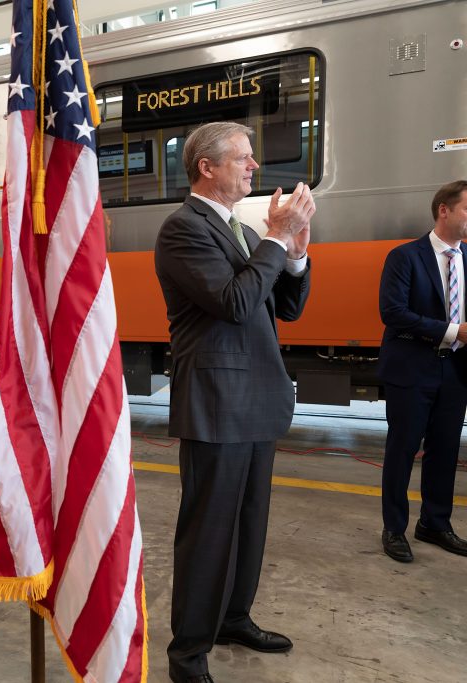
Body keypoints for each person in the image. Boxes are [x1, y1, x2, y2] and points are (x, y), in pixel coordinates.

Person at [154, 122, 316, 683]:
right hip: (218, 401)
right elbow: (234, 302)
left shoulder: (238, 230)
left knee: (249, 521)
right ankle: (188, 654)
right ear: (207, 167)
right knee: (208, 530)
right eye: (243, 159)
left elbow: (283, 308)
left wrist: (294, 252)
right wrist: (274, 237)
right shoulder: (183, 229)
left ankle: (233, 618)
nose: (253, 167)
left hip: (254, 397)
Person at [378, 180, 467, 563]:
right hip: (412, 367)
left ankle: (434, 522)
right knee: (402, 449)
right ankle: (394, 528)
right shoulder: (405, 257)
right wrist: (454, 331)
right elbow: (393, 313)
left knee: (445, 450)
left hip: (457, 370)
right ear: (444, 210)